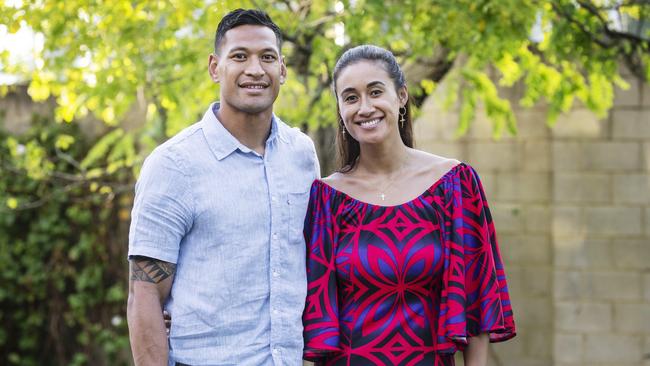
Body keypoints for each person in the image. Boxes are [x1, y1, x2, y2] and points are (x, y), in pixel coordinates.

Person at [302, 45, 516, 366]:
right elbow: (318, 319)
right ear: (340, 109)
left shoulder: (455, 186)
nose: (364, 107)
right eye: (350, 97)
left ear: (401, 96)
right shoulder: (326, 199)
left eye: (376, 92)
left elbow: (479, 304)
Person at [127, 9, 319, 366]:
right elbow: (144, 294)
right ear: (215, 67)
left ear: (283, 70)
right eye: (239, 56)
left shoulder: (302, 154)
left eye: (267, 57)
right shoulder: (173, 165)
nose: (255, 69)